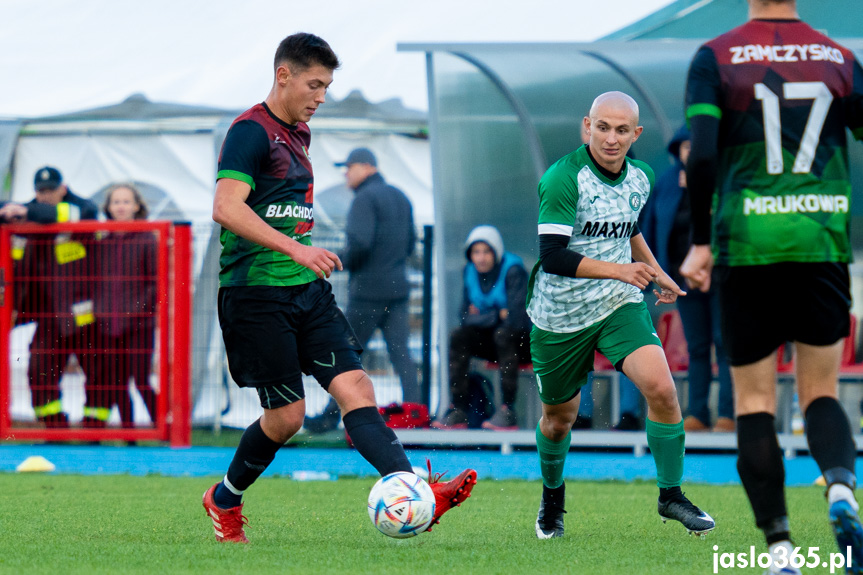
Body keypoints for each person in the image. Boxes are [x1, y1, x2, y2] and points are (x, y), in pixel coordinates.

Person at [202, 33, 476, 543]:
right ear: (283, 75)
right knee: (287, 418)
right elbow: (225, 207)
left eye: (326, 86)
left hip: (306, 291)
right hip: (257, 294)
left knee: (358, 388)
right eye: (315, 84)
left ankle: (417, 489)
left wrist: (303, 258)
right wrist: (296, 248)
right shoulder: (249, 132)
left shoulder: (300, 134)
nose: (321, 96)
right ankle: (224, 498)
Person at [680, 1, 863, 571]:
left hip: (748, 246)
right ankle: (839, 487)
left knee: (756, 401)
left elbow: (703, 155)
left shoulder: (716, 55)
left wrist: (703, 240)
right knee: (821, 392)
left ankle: (782, 550)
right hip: (820, 242)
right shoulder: (836, 56)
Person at [527, 91, 715, 540]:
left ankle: (671, 495)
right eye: (603, 127)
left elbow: (626, 228)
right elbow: (552, 256)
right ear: (586, 126)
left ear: (637, 134)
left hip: (617, 302)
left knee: (663, 389)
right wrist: (623, 270)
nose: (612, 138)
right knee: (559, 419)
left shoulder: (642, 177)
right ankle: (552, 498)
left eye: (622, 130)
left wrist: (656, 274)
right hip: (560, 314)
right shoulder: (562, 179)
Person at [305, 147, 420, 433]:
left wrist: (337, 260)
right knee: (401, 354)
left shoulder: (364, 199)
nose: (346, 172)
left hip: (368, 291)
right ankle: (417, 413)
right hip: (397, 288)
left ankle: (330, 416)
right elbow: (410, 244)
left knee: (346, 355)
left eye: (350, 166)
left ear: (367, 167)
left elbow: (360, 243)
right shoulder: (400, 196)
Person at [640, 126, 734, 433]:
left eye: (697, 146)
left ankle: (728, 416)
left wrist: (699, 189)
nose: (690, 152)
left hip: (722, 277)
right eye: (685, 147)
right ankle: (696, 413)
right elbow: (652, 228)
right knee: (696, 347)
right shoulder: (667, 183)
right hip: (683, 281)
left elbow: (726, 221)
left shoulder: (725, 177)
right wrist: (656, 272)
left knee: (724, 344)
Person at [0, 166, 99, 428]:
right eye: (40, 191)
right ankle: (54, 426)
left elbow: (86, 212)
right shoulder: (26, 211)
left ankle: (94, 429)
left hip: (83, 311)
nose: (45, 196)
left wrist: (25, 212)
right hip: (46, 313)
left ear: (63, 189)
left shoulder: (80, 208)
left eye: (51, 190)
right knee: (39, 369)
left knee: (99, 370)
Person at [431, 225, 532, 431]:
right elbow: (464, 317)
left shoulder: (514, 271)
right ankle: (459, 408)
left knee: (504, 334)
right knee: (458, 336)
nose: (481, 258)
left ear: (496, 252)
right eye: (476, 252)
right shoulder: (468, 271)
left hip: (521, 344)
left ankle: (507, 410)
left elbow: (517, 319)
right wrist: (497, 314)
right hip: (493, 340)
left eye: (486, 252)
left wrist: (482, 316)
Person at [81, 183, 157, 428]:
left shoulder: (148, 238)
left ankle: (163, 431)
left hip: (138, 325)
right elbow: (93, 281)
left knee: (142, 380)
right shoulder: (102, 240)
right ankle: (129, 434)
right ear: (108, 207)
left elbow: (155, 283)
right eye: (116, 202)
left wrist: (135, 310)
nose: (121, 206)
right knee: (117, 382)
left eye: (126, 201)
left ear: (136, 206)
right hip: (107, 326)